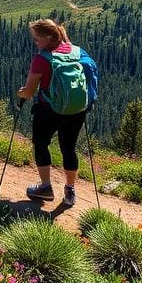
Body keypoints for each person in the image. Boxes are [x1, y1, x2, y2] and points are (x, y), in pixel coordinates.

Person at [15, 18, 96, 207]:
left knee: (41, 143)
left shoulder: (42, 59)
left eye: (37, 39)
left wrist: (19, 92)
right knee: (69, 148)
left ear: (49, 37)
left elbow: (28, 92)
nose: (35, 42)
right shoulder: (78, 51)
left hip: (49, 109)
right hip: (77, 110)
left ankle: (45, 187)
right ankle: (70, 191)